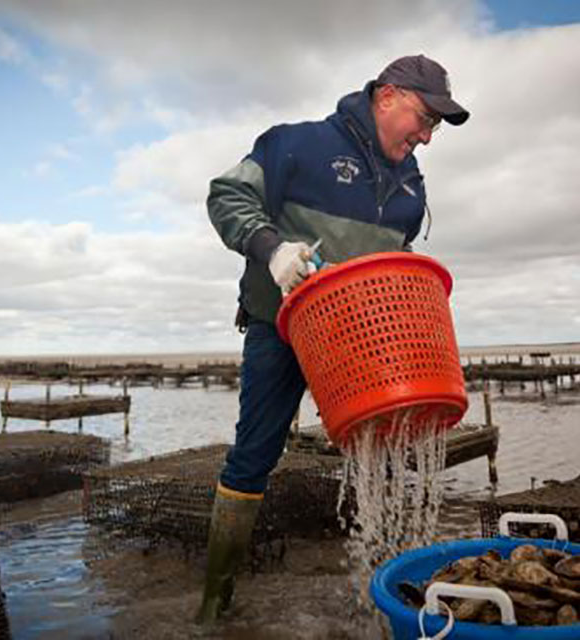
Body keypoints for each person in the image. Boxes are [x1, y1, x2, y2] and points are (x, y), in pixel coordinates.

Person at [196, 53, 469, 623]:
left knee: (387, 446)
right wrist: (273, 250)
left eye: (435, 127)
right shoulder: (296, 145)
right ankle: (213, 602)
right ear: (387, 95)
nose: (426, 135)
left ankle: (388, 595)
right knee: (254, 454)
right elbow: (226, 197)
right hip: (281, 324)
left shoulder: (411, 188)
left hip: (357, 339)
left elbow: (396, 256)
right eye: (424, 118)